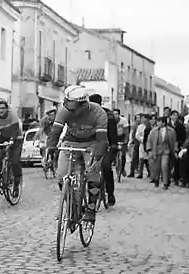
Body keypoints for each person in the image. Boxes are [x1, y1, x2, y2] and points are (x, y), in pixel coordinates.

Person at [46, 85, 108, 223]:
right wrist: (50, 149)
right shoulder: (65, 110)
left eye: (73, 109)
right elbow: (55, 132)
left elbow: (102, 140)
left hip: (92, 143)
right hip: (70, 142)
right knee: (61, 176)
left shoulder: (99, 113)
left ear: (83, 105)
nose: (70, 112)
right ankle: (72, 205)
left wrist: (96, 158)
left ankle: (91, 209)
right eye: (68, 108)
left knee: (93, 174)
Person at [89, 94, 118, 205]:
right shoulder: (87, 115)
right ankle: (90, 196)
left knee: (106, 167)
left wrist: (114, 145)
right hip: (91, 146)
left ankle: (110, 193)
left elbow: (113, 133)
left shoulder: (108, 115)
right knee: (89, 170)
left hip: (106, 146)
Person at [145, 116, 177, 189]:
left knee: (164, 166)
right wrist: (149, 150)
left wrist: (175, 150)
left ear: (163, 123)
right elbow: (149, 140)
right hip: (156, 151)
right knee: (157, 167)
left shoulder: (171, 131)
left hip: (166, 151)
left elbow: (174, 142)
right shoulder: (154, 131)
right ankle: (156, 179)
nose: (157, 123)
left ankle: (165, 182)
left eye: (159, 122)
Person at [113, 108, 129, 177]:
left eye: (116, 114)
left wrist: (126, 141)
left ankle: (122, 168)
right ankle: (115, 163)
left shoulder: (124, 121)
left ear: (119, 115)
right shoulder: (110, 121)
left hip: (122, 137)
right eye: (113, 114)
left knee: (123, 155)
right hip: (114, 137)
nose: (115, 116)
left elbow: (126, 132)